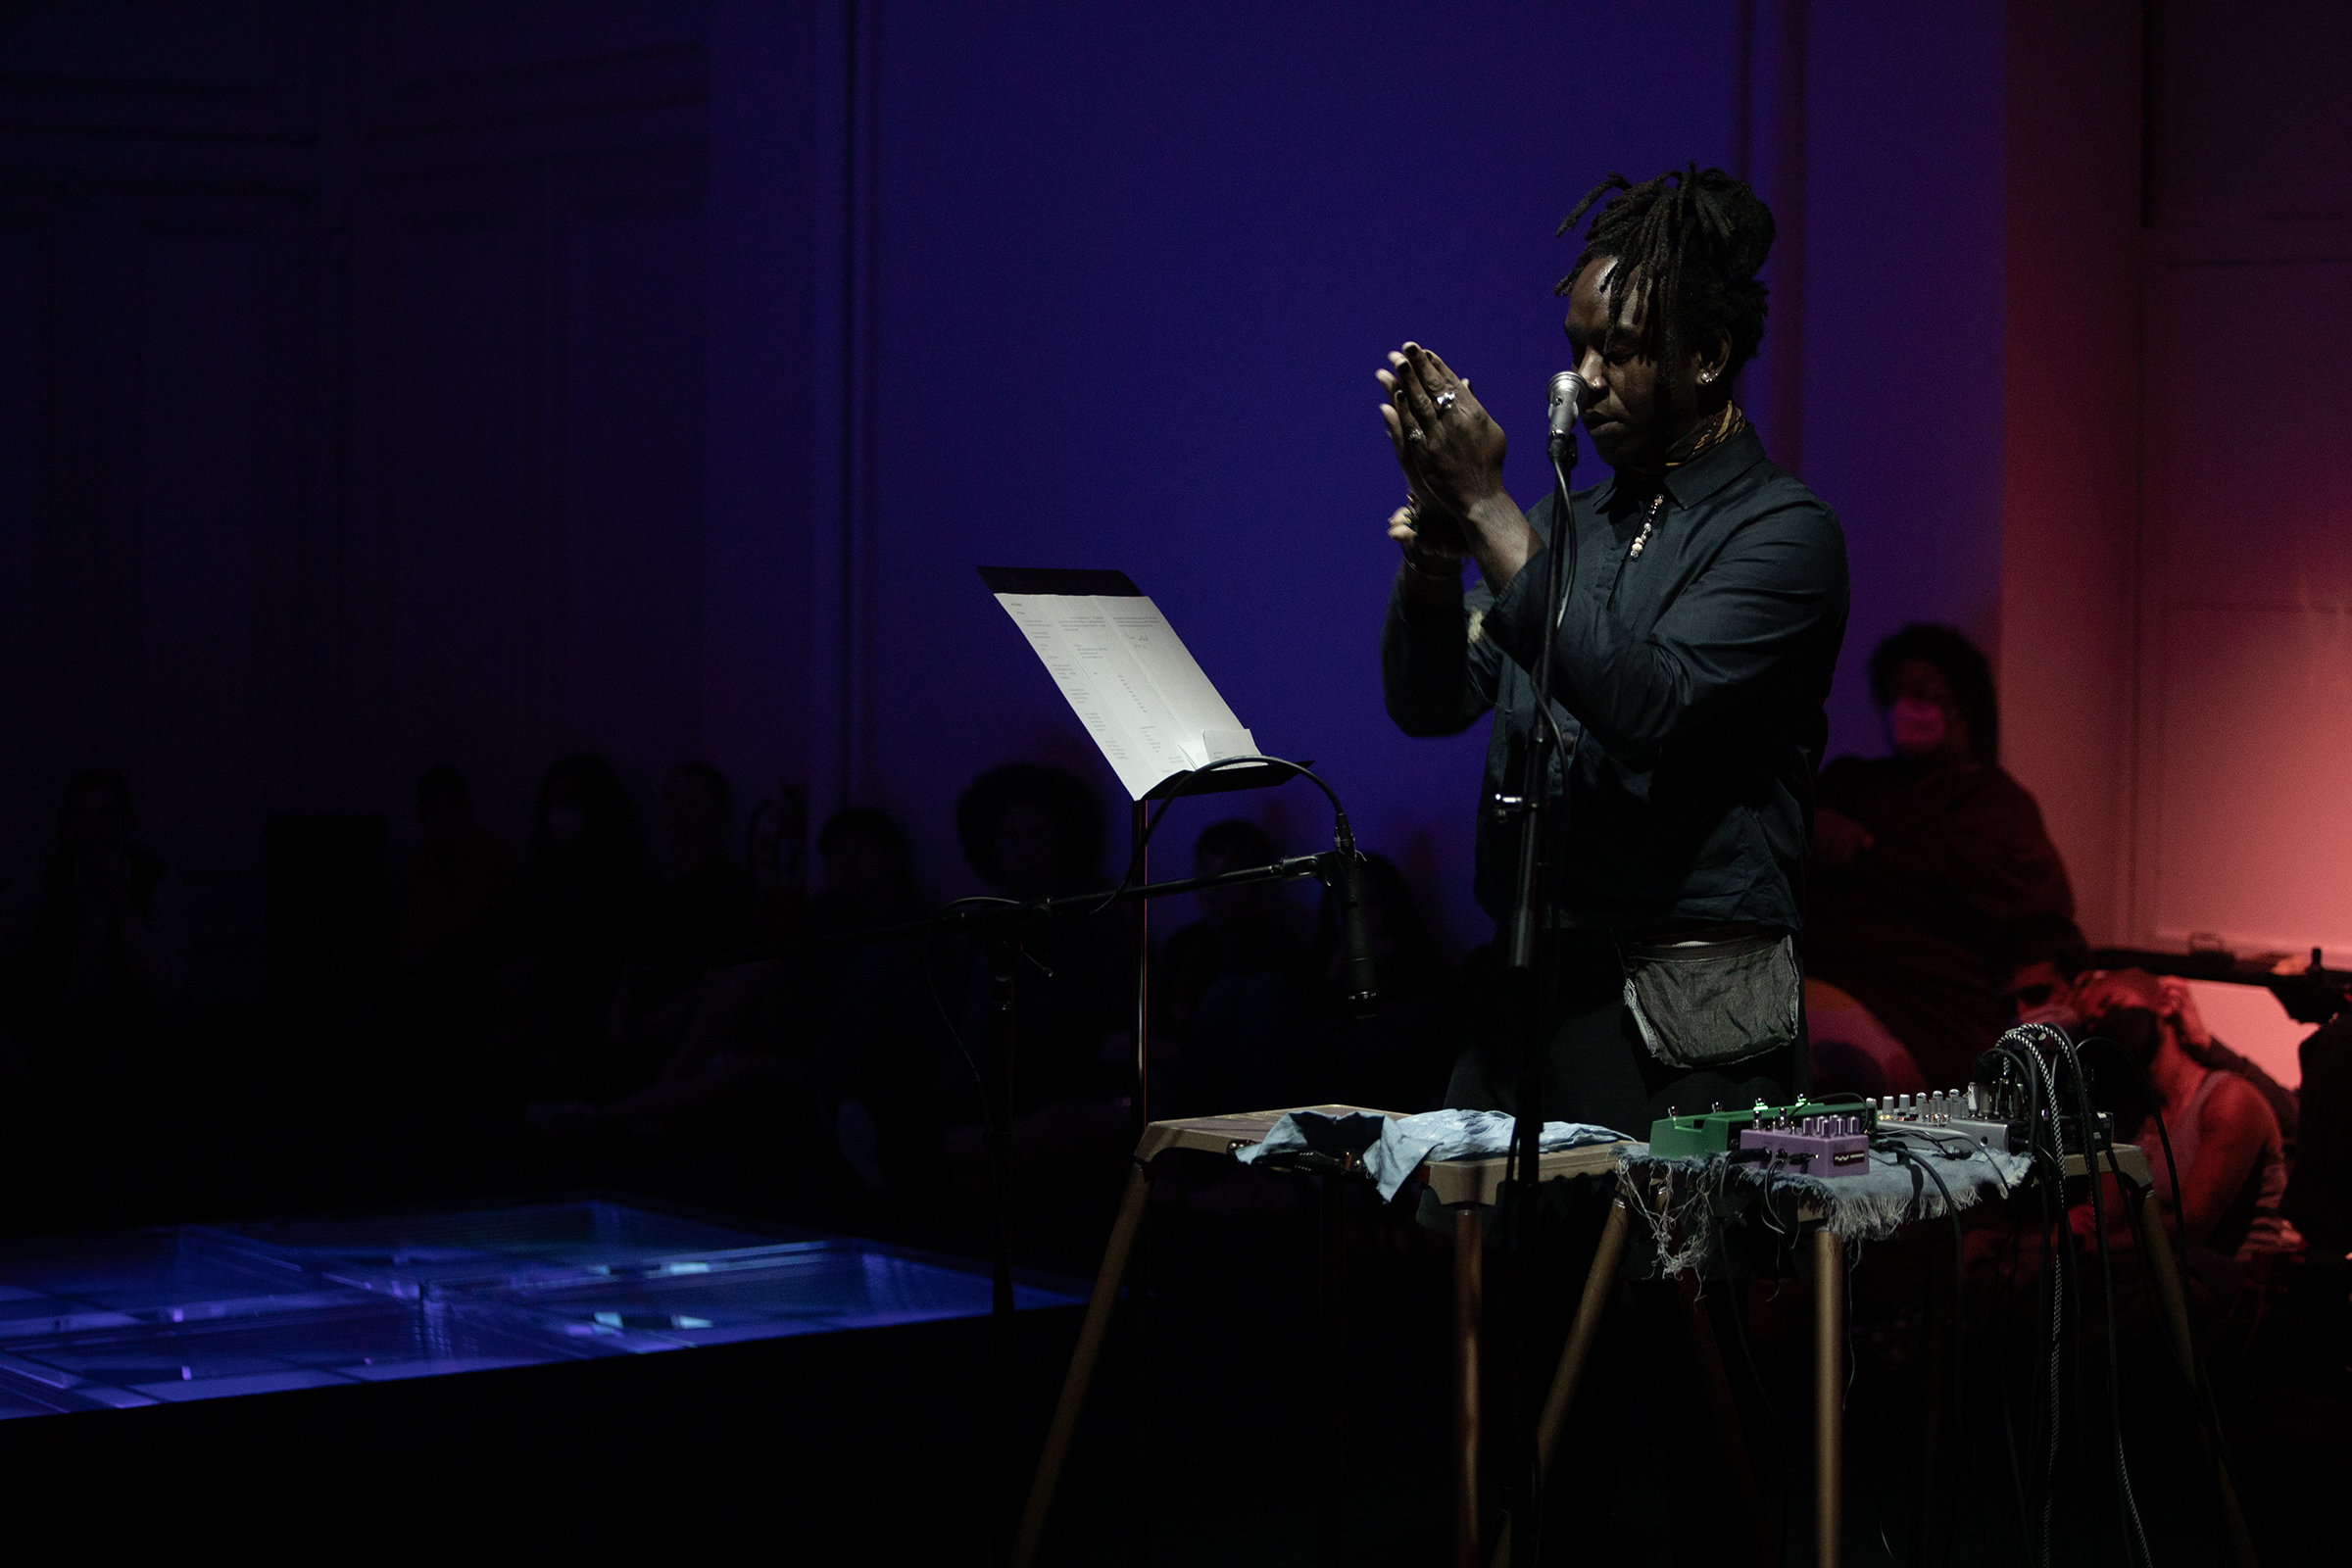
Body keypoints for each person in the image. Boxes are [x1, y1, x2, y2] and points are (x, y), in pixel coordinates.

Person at [1378, 165, 1848, 1140]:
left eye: (1620, 352)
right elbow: (1430, 704)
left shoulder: (1786, 533)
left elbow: (1645, 702)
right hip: (1532, 984)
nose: (1581, 382)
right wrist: (1433, 553)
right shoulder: (1562, 524)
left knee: (1647, 1283)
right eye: (1579, 349)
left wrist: (1486, 510)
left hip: (1688, 1011)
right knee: (1486, 1269)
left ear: (1710, 357)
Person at [1804, 623, 2078, 1087]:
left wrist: (1868, 852)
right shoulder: (1853, 782)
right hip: (1827, 971)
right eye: (1892, 696)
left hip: (1928, 1008)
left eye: (1923, 693)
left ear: (1963, 705)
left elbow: (2029, 898)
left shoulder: (1996, 804)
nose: (1903, 708)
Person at [2076, 968, 2288, 1261]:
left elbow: (2191, 1225)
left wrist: (2083, 1253)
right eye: (2091, 1023)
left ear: (2164, 1005)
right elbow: (2107, 1219)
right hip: (2151, 1278)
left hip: (2227, 1285)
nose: (2103, 1022)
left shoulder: (2227, 1099)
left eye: (2110, 1005)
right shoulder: (2125, 1116)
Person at [3, 769, 190, 1063]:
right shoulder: (40, 880)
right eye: (83, 815)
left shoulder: (159, 883)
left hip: (134, 1032)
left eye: (106, 814)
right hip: (52, 1026)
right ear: (67, 825)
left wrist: (120, 898)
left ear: (125, 820)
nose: (95, 827)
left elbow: (166, 988)